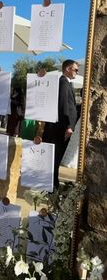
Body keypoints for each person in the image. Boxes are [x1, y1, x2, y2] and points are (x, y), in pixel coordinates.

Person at [42, 59, 79, 189]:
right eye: (75, 69)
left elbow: (70, 105)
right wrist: (68, 125)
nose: (77, 72)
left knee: (57, 157)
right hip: (60, 127)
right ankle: (52, 185)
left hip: (62, 127)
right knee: (55, 156)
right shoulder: (63, 82)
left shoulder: (67, 83)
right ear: (67, 69)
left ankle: (54, 183)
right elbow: (63, 105)